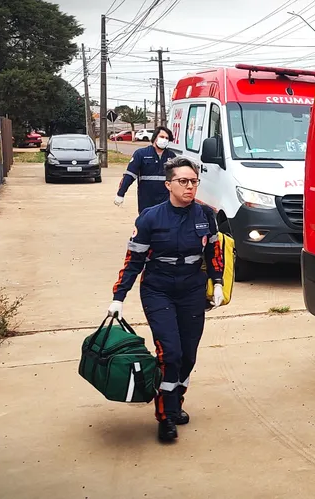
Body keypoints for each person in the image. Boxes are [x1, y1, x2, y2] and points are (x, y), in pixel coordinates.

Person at [108, 156, 225, 442]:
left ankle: (176, 401)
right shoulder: (150, 217)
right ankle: (165, 416)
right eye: (183, 181)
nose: (189, 187)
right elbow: (133, 260)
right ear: (168, 184)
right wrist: (118, 297)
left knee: (188, 356)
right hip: (158, 289)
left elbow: (213, 253)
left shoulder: (205, 215)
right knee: (169, 353)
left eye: (194, 181)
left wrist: (218, 282)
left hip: (192, 290)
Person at [114, 127, 178, 213]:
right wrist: (120, 194)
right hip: (146, 200)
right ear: (155, 138)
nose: (164, 140)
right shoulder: (141, 154)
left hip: (166, 200)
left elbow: (178, 178)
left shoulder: (172, 156)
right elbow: (130, 175)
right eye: (162, 137)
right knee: (146, 225)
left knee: (165, 224)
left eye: (167, 138)